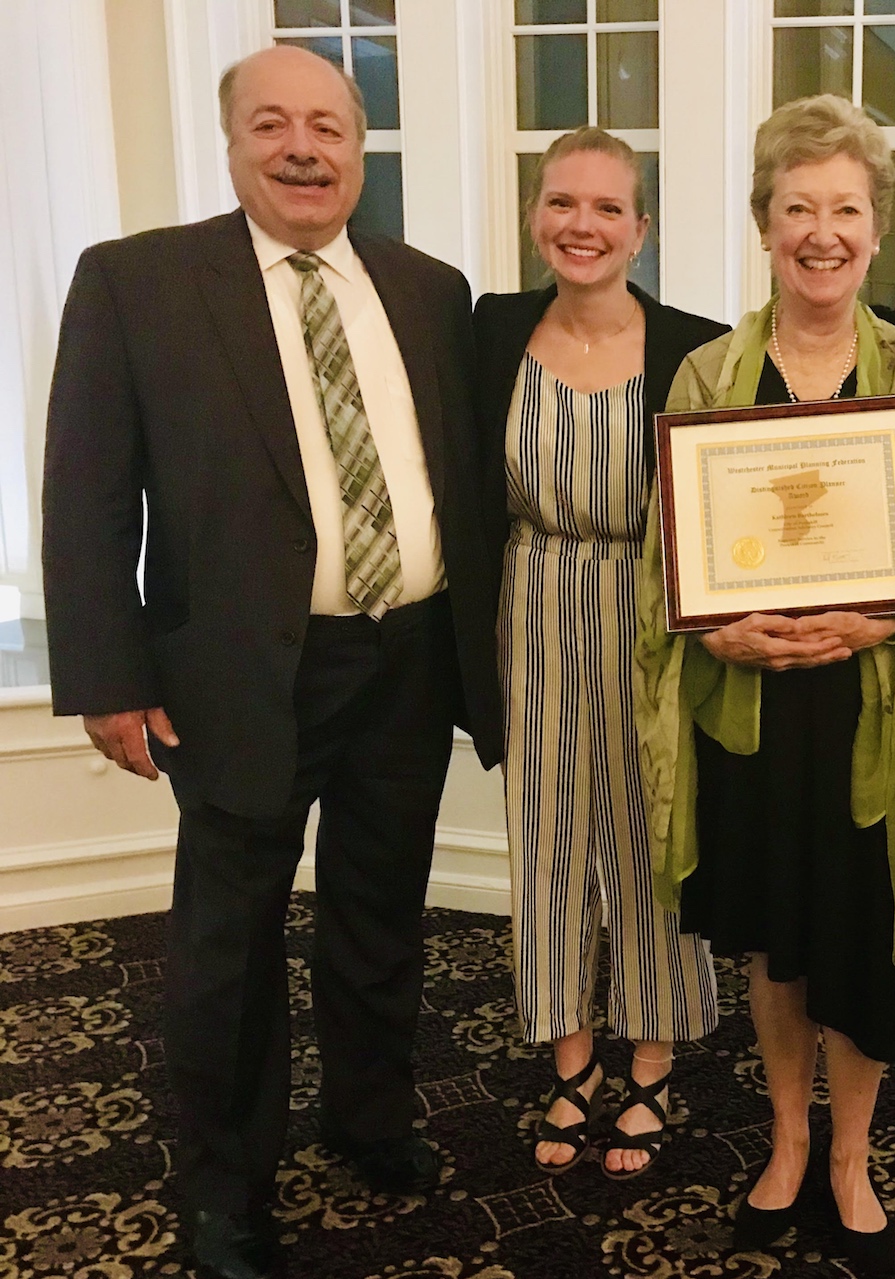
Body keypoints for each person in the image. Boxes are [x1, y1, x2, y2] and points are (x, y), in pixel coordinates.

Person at [40, 45, 504, 1279]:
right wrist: (107, 673)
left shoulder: (427, 287)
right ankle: (226, 1187)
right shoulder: (137, 282)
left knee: (378, 915)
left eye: (329, 128)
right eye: (273, 125)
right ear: (233, 142)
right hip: (237, 674)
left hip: (405, 659)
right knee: (228, 941)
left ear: (360, 148)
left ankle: (370, 1123)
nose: (303, 148)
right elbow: (87, 493)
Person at [634, 94, 895, 1275]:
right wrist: (718, 636)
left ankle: (851, 1155)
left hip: (870, 718)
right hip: (755, 713)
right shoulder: (706, 373)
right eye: (797, 208)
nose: (821, 232)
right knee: (779, 941)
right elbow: (665, 560)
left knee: (862, 944)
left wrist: (884, 611)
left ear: (877, 228)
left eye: (845, 208)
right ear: (764, 225)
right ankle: (786, 1138)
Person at [473, 128, 728, 1179]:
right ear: (538, 213)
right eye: (562, 202)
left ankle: (654, 1059)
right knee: (547, 839)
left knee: (651, 836)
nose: (582, 225)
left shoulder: (697, 347)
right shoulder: (489, 334)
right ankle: (572, 1060)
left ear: (641, 229)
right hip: (527, 603)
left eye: (607, 208)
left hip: (650, 615)